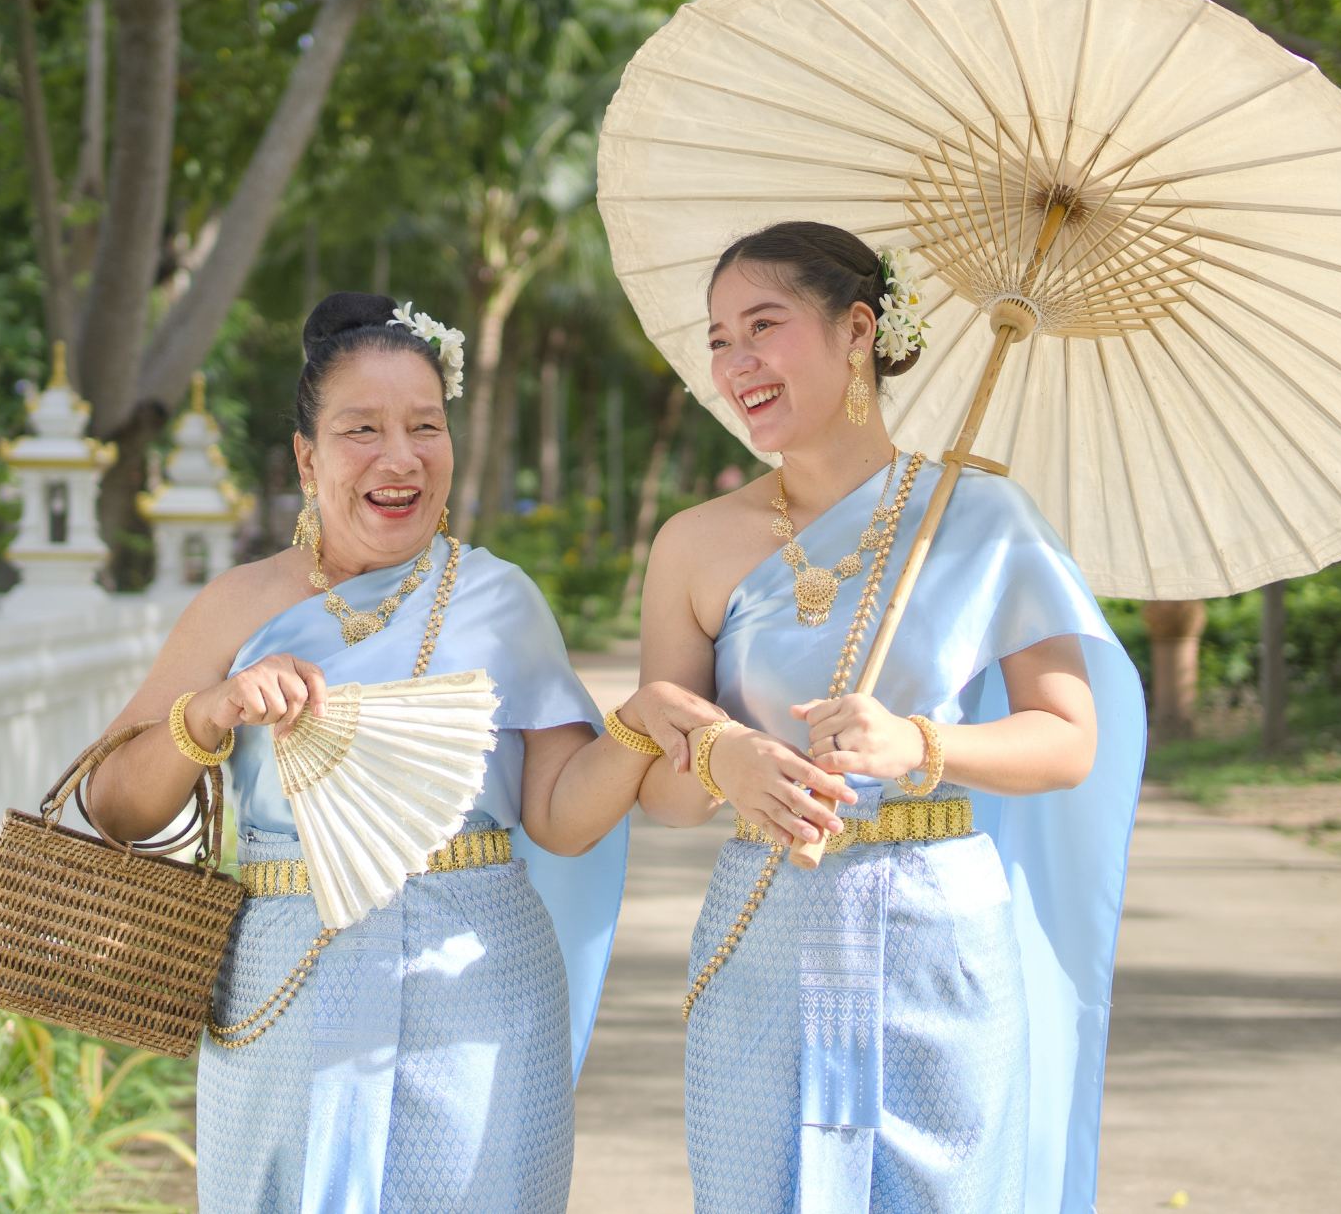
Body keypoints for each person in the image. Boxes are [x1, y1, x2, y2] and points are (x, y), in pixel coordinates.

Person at [528, 222, 1145, 1212]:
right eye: (719, 338)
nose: (736, 364)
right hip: (761, 931)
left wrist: (920, 743)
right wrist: (720, 757)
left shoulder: (979, 518)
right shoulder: (692, 544)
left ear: (856, 330)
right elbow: (669, 801)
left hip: (940, 935)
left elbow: (1068, 740)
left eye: (762, 326)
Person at [85, 292, 626, 1212]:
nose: (399, 456)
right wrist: (208, 715)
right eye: (361, 429)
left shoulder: (500, 599)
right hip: (282, 991)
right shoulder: (240, 605)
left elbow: (561, 821)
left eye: (425, 426)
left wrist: (646, 729)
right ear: (307, 456)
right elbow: (115, 803)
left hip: (478, 987)